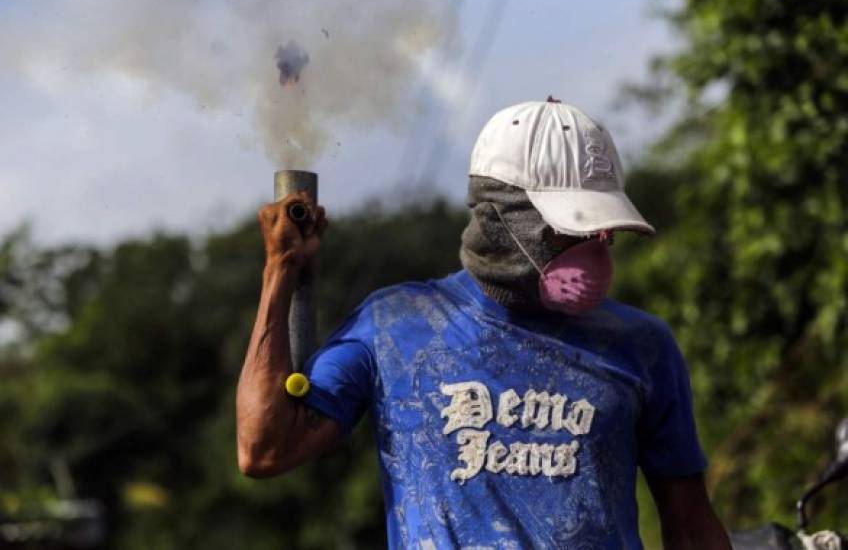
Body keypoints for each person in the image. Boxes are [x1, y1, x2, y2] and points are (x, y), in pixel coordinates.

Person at [236, 99, 732, 549]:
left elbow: (691, 527)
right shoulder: (395, 326)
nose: (598, 247)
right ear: (501, 218)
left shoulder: (641, 346)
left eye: (603, 230)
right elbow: (265, 449)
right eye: (573, 228)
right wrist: (281, 270)